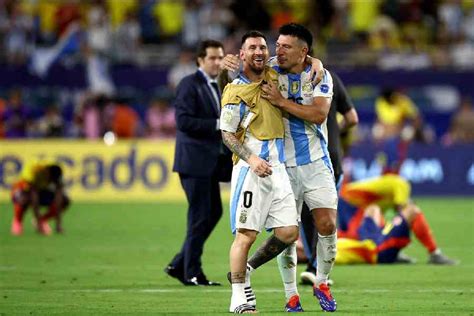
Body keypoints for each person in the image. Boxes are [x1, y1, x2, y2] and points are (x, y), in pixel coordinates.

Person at [221, 23, 338, 312]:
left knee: (311, 227)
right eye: (277, 45)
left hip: (312, 162)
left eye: (285, 46)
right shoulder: (269, 69)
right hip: (274, 164)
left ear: (303, 52)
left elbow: (319, 114)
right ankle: (288, 294)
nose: (276, 51)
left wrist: (284, 99)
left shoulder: (317, 75)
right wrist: (225, 66)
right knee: (259, 232)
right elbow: (236, 79)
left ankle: (322, 281)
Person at [220, 31, 300, 314]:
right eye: (252, 47)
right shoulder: (234, 91)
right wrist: (251, 159)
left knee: (289, 232)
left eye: (263, 47)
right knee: (246, 235)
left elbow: (301, 55)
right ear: (241, 54)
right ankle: (238, 298)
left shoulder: (274, 73)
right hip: (251, 169)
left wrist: (315, 64)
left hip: (277, 169)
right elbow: (227, 134)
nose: (259, 51)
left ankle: (248, 269)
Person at [165, 40, 232, 287]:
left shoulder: (220, 85)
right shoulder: (188, 84)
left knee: (212, 213)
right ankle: (192, 272)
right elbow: (183, 122)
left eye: (220, 57)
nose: (217, 62)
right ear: (200, 60)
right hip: (194, 163)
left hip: (211, 163)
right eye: (213, 58)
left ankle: (179, 264)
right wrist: (217, 125)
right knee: (200, 216)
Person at [299, 70, 359, 285]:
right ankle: (315, 266)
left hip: (300, 158)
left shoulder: (286, 80)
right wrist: (333, 132)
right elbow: (352, 118)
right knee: (324, 214)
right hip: (329, 156)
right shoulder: (331, 78)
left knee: (305, 214)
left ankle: (313, 265)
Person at [336, 174, 458, 265]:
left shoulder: (389, 185)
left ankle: (396, 253)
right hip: (376, 248)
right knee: (412, 210)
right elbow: (402, 207)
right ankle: (434, 253)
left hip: (370, 238)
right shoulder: (400, 184)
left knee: (373, 209)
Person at [10, 160, 69, 235]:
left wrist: (58, 224)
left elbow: (58, 199)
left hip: (39, 191)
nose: (50, 181)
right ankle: (17, 221)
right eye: (50, 179)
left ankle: (43, 220)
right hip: (21, 191)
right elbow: (34, 199)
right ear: (47, 173)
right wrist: (39, 224)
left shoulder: (56, 174)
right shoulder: (35, 173)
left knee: (65, 200)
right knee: (23, 198)